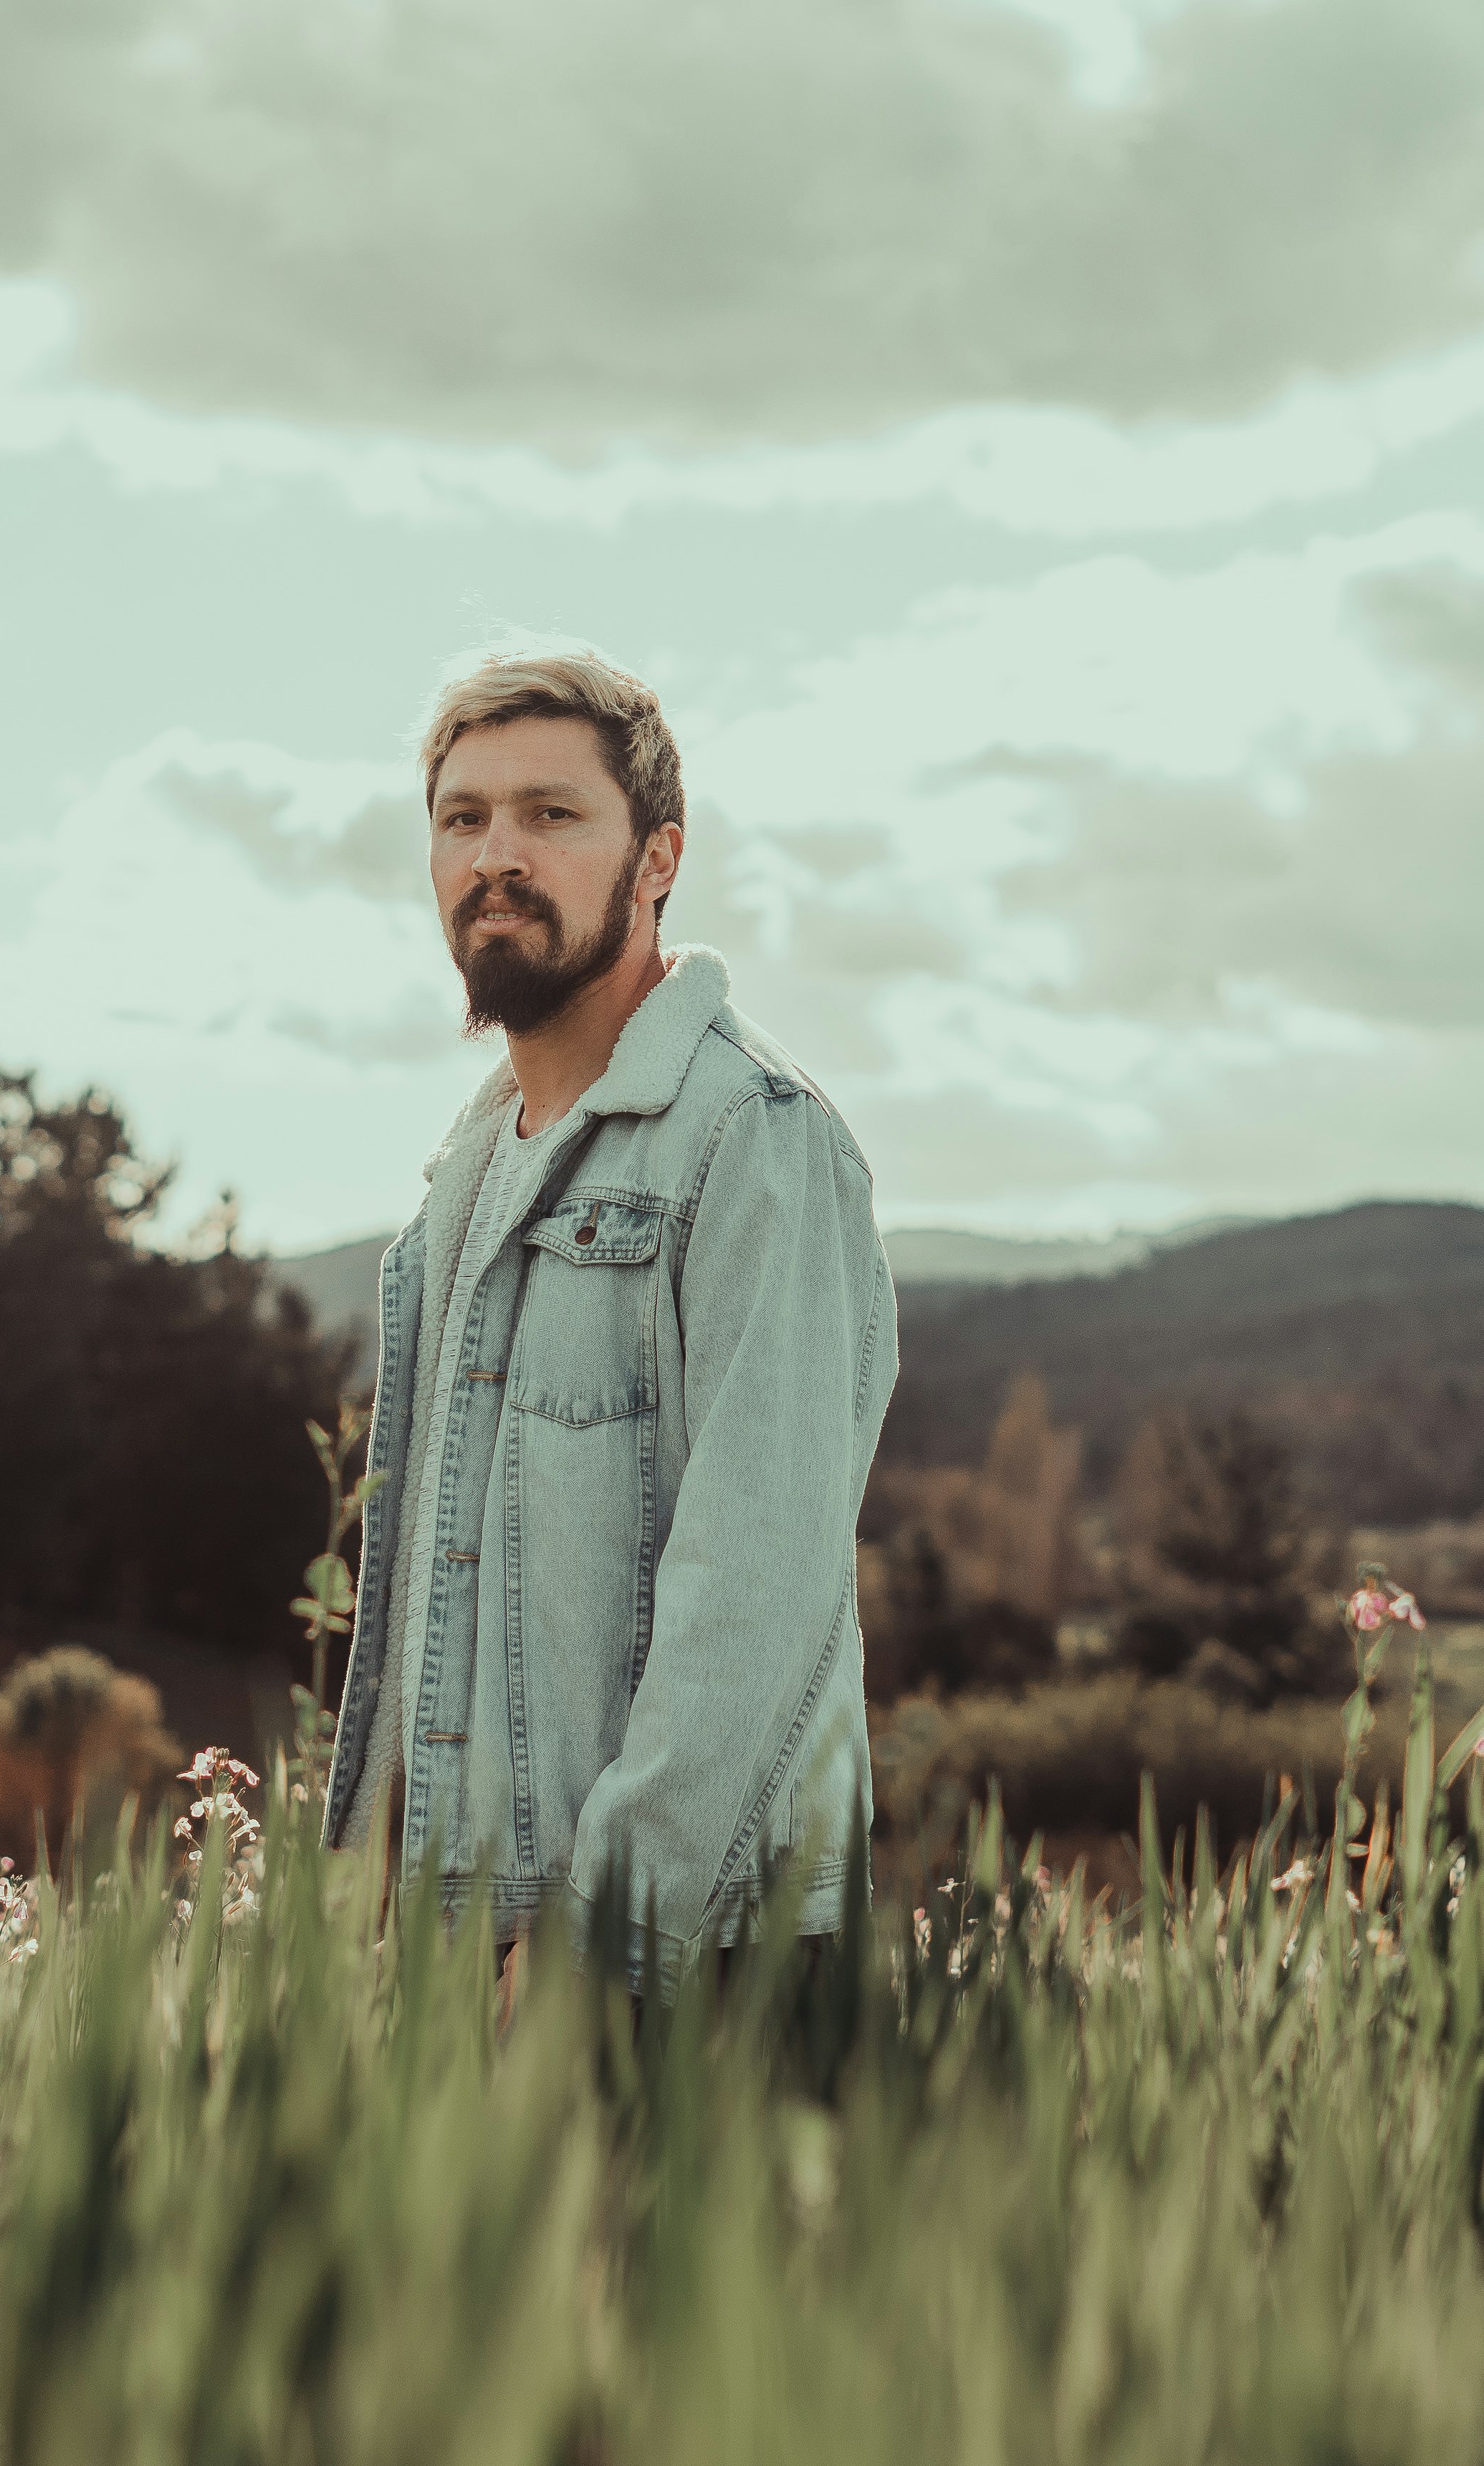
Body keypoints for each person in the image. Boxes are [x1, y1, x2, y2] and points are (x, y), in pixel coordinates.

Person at [320, 648, 896, 1989]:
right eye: (461, 818)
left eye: (551, 814)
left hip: (694, 1960)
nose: (495, 856)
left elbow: (756, 1588)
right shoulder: (472, 1170)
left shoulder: (753, 1140)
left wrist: (600, 1938)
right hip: (465, 1945)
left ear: (657, 860)